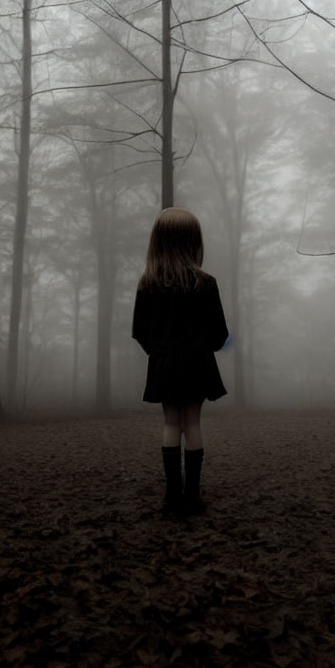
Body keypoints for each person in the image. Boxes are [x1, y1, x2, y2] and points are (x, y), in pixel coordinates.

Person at [132, 208, 229, 517]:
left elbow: (140, 331)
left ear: (158, 241)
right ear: (193, 241)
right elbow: (220, 333)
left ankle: (172, 497)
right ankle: (193, 497)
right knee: (193, 423)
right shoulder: (207, 283)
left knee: (171, 422)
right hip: (198, 362)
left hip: (164, 362)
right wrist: (200, 349)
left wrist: (160, 352)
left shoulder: (148, 284)